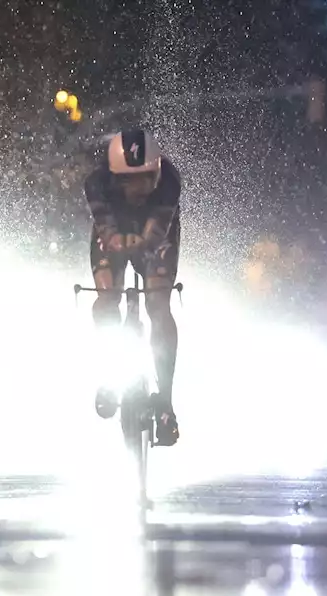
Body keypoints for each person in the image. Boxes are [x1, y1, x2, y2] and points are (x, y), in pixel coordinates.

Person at [84, 129, 182, 446]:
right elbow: (107, 233)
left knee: (158, 305)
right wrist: (118, 242)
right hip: (113, 227)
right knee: (106, 299)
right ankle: (109, 372)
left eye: (146, 179)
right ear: (114, 178)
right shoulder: (96, 183)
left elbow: (156, 233)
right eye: (129, 180)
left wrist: (138, 244)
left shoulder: (170, 179)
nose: (139, 188)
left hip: (156, 230)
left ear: (157, 173)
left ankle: (165, 400)